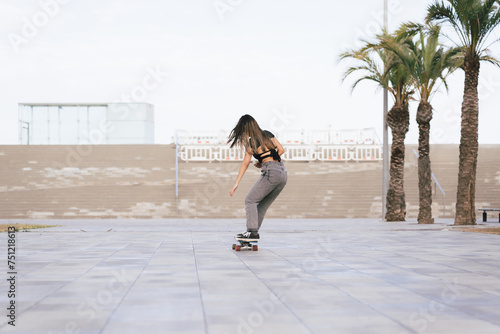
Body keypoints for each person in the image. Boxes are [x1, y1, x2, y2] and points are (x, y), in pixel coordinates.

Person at [227, 114, 287, 241]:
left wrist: (236, 183)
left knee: (250, 200)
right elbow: (281, 150)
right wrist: (263, 161)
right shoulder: (267, 134)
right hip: (282, 172)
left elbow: (245, 163)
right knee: (262, 205)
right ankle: (252, 231)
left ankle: (252, 232)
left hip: (271, 172)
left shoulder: (251, 142)